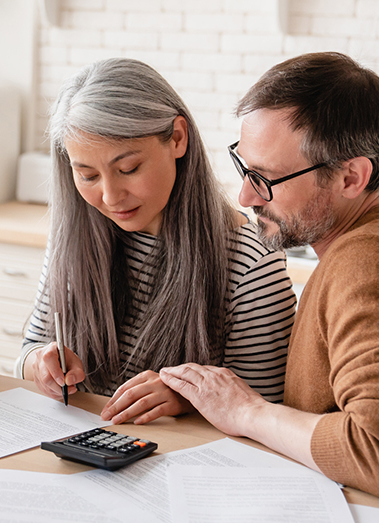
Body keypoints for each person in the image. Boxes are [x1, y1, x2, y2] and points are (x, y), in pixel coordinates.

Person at [16, 58, 296, 425]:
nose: (111, 196)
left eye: (128, 169)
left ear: (177, 138)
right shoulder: (74, 236)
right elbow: (29, 350)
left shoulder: (250, 262)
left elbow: (265, 409)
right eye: (86, 175)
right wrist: (41, 364)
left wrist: (188, 398)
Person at [160, 52, 379, 496]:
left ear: (351, 178)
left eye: (264, 177)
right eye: (244, 168)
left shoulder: (362, 262)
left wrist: (248, 412)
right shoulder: (350, 249)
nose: (244, 195)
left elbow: (371, 448)